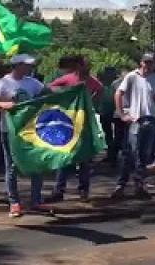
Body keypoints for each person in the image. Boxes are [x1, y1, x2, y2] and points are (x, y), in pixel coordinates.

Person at [0, 54, 45, 218]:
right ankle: (14, 203)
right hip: (10, 130)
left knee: (36, 164)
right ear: (17, 65)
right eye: (27, 65)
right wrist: (3, 104)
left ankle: (36, 200)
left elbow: (49, 93)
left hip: (31, 130)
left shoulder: (32, 83)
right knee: (11, 166)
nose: (30, 68)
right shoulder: (2, 83)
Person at [47, 55, 103, 203]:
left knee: (85, 159)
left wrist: (91, 103)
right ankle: (59, 190)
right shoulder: (68, 78)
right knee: (65, 158)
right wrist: (64, 98)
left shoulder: (91, 81)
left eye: (89, 66)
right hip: (68, 124)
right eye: (86, 65)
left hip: (84, 125)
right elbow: (50, 87)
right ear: (79, 66)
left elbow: (100, 89)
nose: (88, 68)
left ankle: (84, 191)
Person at [111, 53, 155, 200]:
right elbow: (118, 94)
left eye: (151, 63)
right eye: (146, 62)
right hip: (136, 119)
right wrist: (122, 114)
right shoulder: (132, 76)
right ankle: (122, 184)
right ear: (141, 63)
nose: (148, 65)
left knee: (145, 155)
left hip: (150, 119)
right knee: (131, 153)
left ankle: (139, 185)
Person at [107, 68, 130, 166]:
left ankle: (117, 158)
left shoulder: (116, 83)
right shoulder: (117, 83)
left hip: (124, 113)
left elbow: (111, 98)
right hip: (120, 113)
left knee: (122, 137)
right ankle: (115, 158)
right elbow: (112, 98)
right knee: (122, 137)